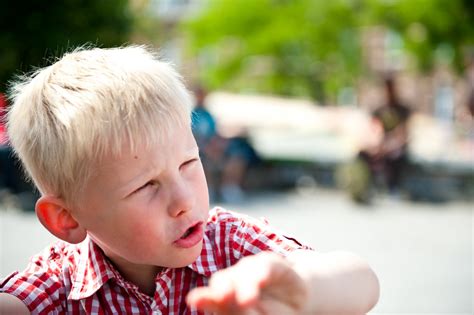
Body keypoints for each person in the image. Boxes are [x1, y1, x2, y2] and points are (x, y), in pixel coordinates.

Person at [0, 46, 379, 314]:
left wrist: (304, 291)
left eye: (188, 164)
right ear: (67, 218)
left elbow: (361, 280)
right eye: (147, 185)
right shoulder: (60, 283)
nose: (184, 199)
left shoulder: (229, 245)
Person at [192, 87, 260, 203]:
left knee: (237, 157)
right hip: (199, 149)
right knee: (202, 159)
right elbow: (192, 137)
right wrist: (208, 148)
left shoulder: (209, 115)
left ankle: (229, 188)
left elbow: (215, 134)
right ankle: (208, 190)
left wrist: (220, 145)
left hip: (213, 148)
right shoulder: (192, 115)